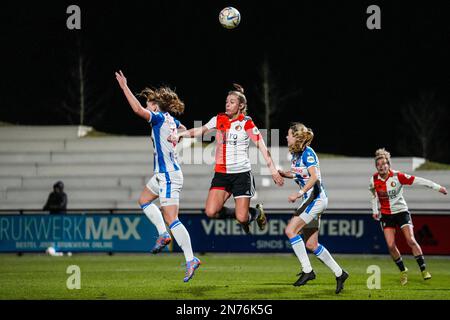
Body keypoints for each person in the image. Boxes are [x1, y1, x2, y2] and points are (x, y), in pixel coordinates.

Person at [115, 70, 200, 282]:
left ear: (154, 106)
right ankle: (163, 234)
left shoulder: (159, 118)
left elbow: (136, 110)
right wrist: (177, 136)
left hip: (169, 174)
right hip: (163, 174)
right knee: (143, 200)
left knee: (172, 218)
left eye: (148, 104)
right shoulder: (170, 120)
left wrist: (125, 87)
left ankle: (191, 259)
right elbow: (183, 128)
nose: (146, 107)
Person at [171, 84, 284, 233]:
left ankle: (256, 213)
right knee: (211, 212)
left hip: (241, 175)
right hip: (222, 174)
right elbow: (199, 130)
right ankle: (240, 214)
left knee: (243, 218)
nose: (227, 105)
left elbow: (262, 147)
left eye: (232, 102)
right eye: (226, 102)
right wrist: (180, 135)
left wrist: (273, 171)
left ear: (241, 106)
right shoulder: (219, 119)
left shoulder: (246, 123)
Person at [279, 123, 349, 294]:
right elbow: (298, 173)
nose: (286, 137)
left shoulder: (308, 153)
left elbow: (314, 177)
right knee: (311, 244)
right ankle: (340, 273)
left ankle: (307, 271)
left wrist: (299, 193)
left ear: (296, 136)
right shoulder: (296, 155)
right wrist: (284, 174)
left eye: (289, 134)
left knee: (290, 231)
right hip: (311, 199)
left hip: (315, 198)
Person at [369, 148, 447, 285]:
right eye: (378, 165)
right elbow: (374, 196)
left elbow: (419, 180)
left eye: (383, 164)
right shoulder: (373, 179)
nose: (381, 166)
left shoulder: (398, 176)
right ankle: (403, 270)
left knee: (410, 240)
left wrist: (437, 187)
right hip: (386, 215)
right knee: (390, 245)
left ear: (389, 165)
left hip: (401, 212)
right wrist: (375, 210)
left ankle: (423, 270)